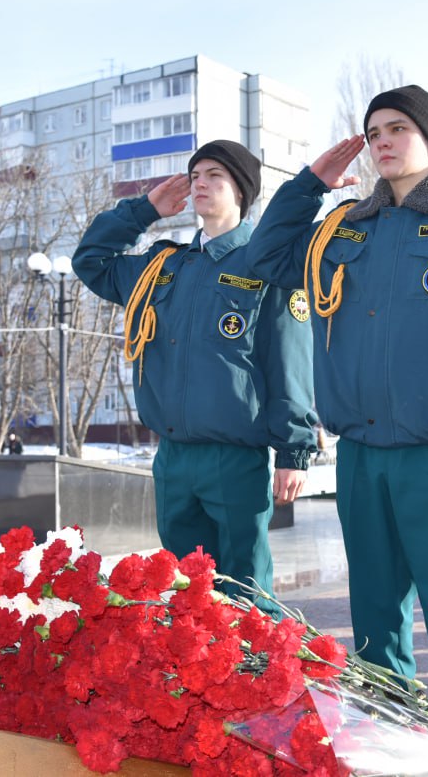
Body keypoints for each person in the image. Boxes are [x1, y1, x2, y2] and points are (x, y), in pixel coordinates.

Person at [246, 85, 428, 718]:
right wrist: (309, 186)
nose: (382, 140)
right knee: (375, 599)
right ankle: (389, 717)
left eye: (397, 128)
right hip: (362, 447)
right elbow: (265, 258)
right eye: (374, 131)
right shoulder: (347, 228)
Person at [72, 140, 317, 610]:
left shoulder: (266, 265)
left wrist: (295, 450)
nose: (200, 183)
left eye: (214, 175)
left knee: (246, 593)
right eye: (195, 175)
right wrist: (144, 211)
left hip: (234, 456)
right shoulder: (164, 267)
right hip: (173, 457)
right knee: (184, 595)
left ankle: (258, 660)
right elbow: (91, 261)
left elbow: (290, 363)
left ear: (241, 190)